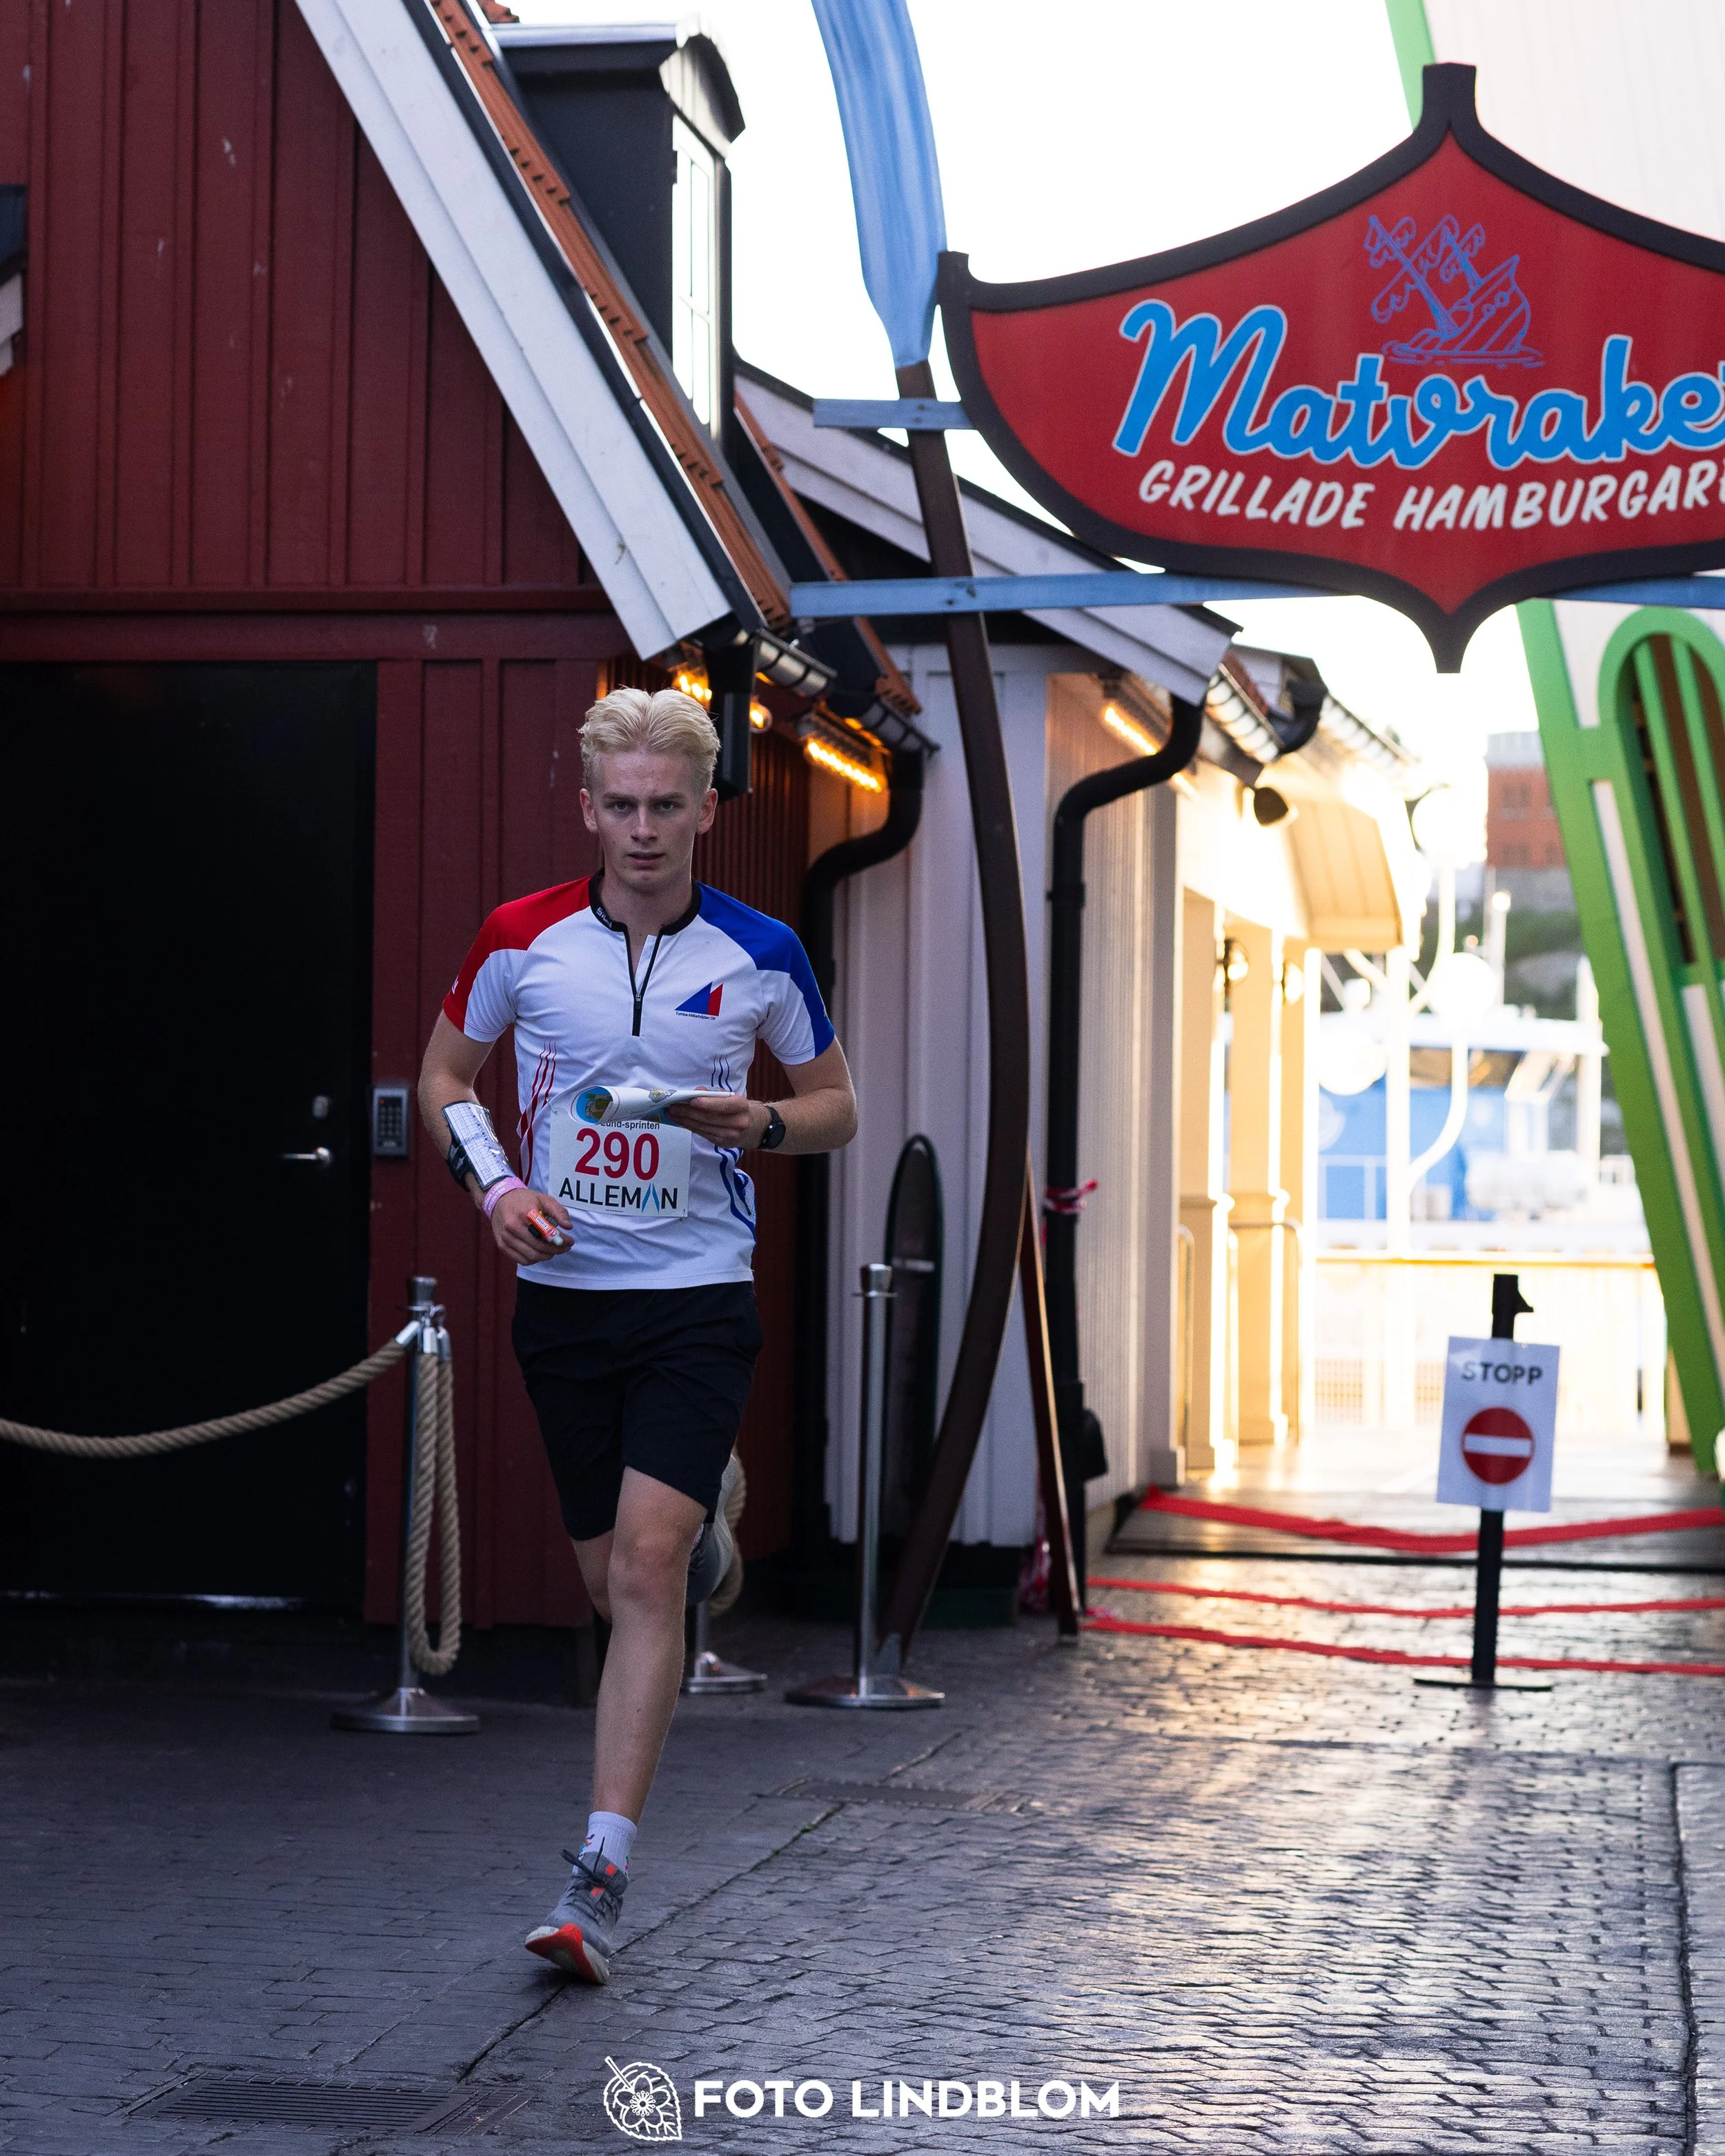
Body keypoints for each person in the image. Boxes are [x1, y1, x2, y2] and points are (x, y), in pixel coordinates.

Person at [417, 685, 856, 1986]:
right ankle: (705, 1529)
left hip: (699, 1299)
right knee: (614, 1583)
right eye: (623, 805)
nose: (646, 829)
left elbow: (835, 1106)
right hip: (564, 1305)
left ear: (706, 808)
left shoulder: (762, 953)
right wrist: (496, 1190)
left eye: (669, 806)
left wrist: (764, 1125)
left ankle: (598, 1874)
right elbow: (446, 1078)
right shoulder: (521, 939)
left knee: (650, 1573)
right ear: (589, 805)